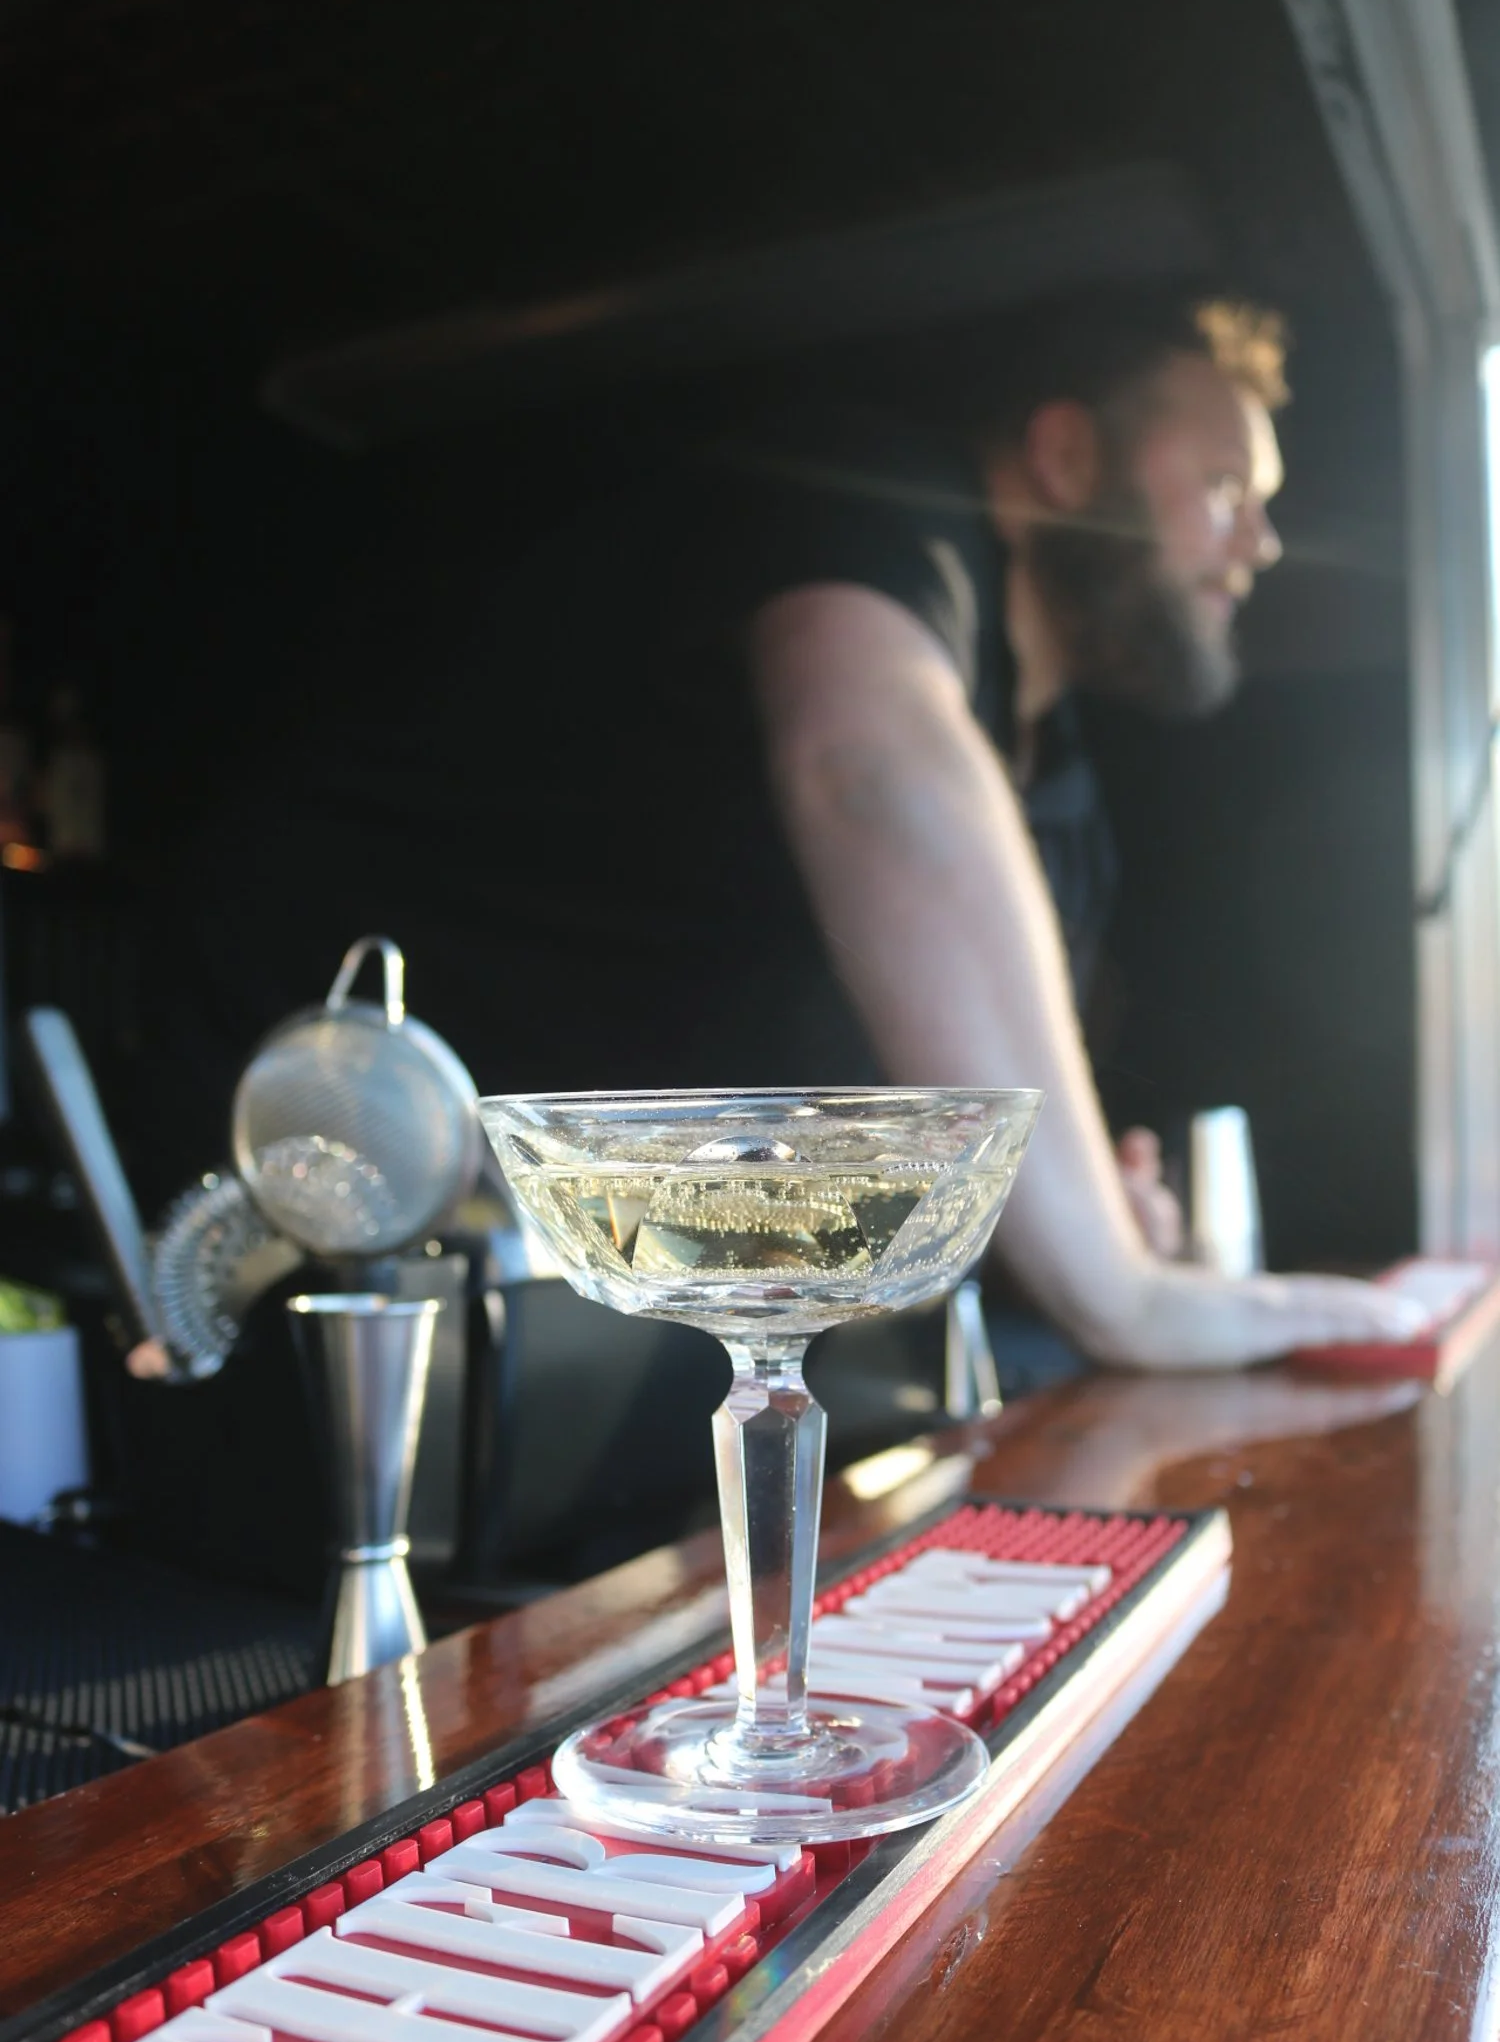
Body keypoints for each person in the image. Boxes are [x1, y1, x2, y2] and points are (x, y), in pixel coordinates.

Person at [138, 285, 1420, 1378]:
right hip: (325, 1165)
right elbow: (872, 771)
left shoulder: (1060, 793)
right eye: (1219, 486)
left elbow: (956, 1114)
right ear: (1067, 457)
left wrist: (1091, 1214)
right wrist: (1120, 1290)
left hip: (674, 1325)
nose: (1259, 541)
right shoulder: (874, 504)